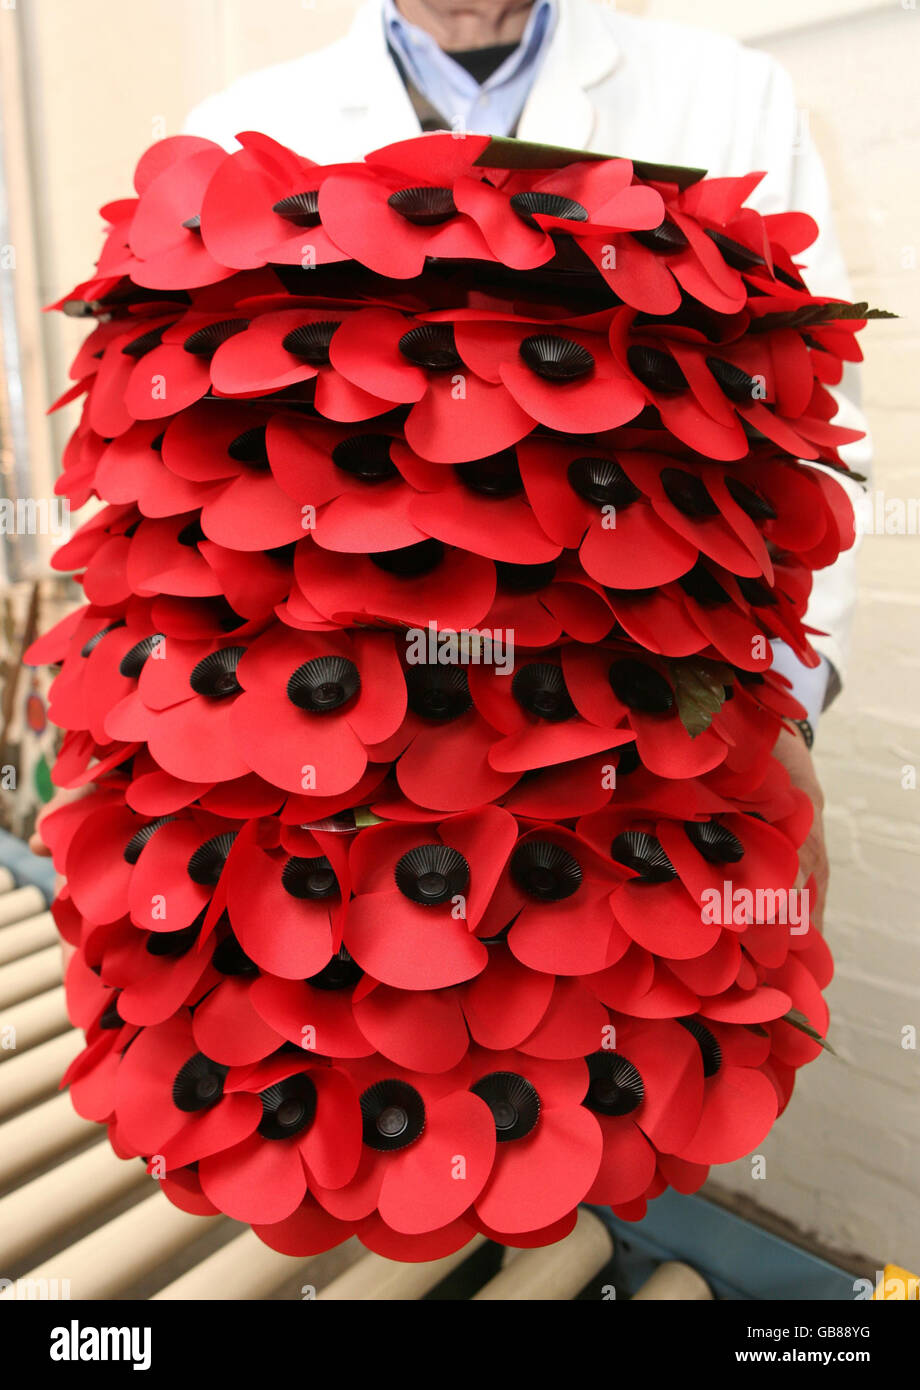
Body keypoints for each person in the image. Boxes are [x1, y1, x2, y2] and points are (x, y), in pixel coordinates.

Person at [38, 1, 873, 934]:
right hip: (309, 776)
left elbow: (805, 436)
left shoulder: (727, 92)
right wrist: (115, 734)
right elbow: (158, 472)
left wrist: (782, 718)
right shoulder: (237, 127)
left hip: (634, 767)